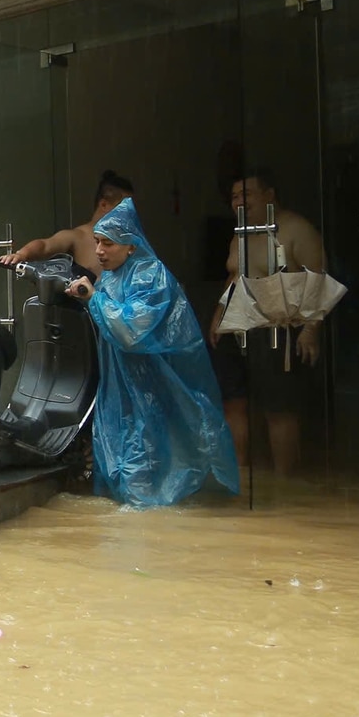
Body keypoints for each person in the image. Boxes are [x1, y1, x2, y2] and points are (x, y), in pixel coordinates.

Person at [67, 199, 238, 508]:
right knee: (119, 451)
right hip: (120, 385)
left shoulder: (151, 276)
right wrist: (88, 298)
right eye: (96, 243)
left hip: (153, 386)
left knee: (144, 454)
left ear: (130, 246)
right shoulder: (110, 275)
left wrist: (93, 298)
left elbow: (131, 330)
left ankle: (145, 529)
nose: (99, 251)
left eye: (108, 243)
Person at [206, 168, 328, 479]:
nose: (239, 202)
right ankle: (243, 475)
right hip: (238, 327)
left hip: (280, 328)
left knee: (279, 409)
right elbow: (235, 276)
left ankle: (285, 479)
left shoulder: (296, 229)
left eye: (246, 194)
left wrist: (311, 330)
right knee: (235, 402)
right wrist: (218, 316)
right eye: (234, 197)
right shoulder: (240, 234)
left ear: (269, 196)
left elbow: (319, 280)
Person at [0, 170, 137, 276]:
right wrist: (21, 255)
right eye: (123, 207)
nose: (128, 213)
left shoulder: (129, 240)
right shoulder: (78, 236)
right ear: (104, 204)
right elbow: (45, 245)